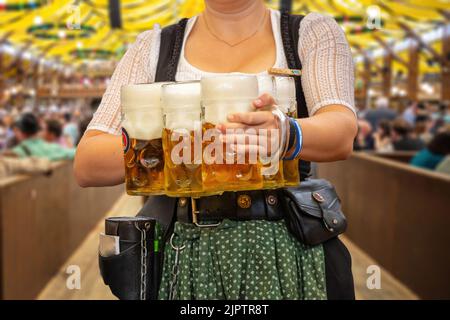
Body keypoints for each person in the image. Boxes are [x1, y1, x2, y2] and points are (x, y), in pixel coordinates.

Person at [75, 0, 357, 300]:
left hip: (286, 246)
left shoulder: (310, 32)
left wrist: (286, 132)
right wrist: (172, 145)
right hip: (183, 249)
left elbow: (341, 132)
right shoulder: (153, 46)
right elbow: (88, 163)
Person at [11, 113, 76, 161]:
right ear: (37, 131)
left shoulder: (17, 153)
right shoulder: (53, 147)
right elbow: (74, 153)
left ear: (21, 133)